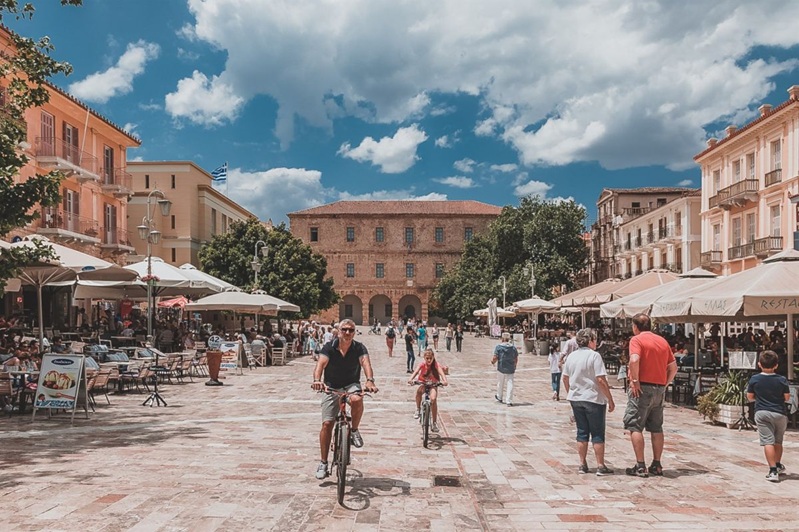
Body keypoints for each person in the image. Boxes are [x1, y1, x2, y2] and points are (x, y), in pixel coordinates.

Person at [310, 318, 378, 480]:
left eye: (351, 330)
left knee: (356, 399)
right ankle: (324, 462)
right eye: (344, 330)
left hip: (351, 384)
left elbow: (366, 363)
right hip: (331, 387)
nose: (347, 333)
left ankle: (354, 430)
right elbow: (320, 365)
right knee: (327, 424)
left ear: (354, 332)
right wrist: (317, 381)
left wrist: (370, 380)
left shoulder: (359, 347)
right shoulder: (329, 347)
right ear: (338, 331)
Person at [623, 313, 678, 478]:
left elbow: (634, 359)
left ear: (635, 327)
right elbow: (673, 367)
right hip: (659, 388)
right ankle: (657, 464)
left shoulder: (637, 340)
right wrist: (665, 383)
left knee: (635, 425)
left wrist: (635, 380)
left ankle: (640, 465)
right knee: (656, 427)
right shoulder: (662, 341)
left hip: (642, 388)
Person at [561, 328, 615, 475]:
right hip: (593, 398)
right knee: (597, 433)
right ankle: (600, 465)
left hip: (576, 398)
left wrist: (570, 392)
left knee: (582, 432)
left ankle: (582, 464)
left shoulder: (571, 357)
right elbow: (600, 379)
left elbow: (565, 378)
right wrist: (610, 399)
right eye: (595, 339)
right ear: (590, 340)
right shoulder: (594, 356)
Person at [746, 350, 791, 482]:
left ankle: (772, 471)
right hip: (779, 413)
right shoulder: (782, 379)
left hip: (762, 412)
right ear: (776, 365)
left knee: (767, 441)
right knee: (778, 441)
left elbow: (750, 397)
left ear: (759, 364)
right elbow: (787, 398)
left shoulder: (755, 379)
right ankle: (777, 464)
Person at [408, 347, 448, 432]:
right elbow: (415, 372)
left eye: (431, 358)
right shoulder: (422, 364)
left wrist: (445, 381)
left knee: (433, 399)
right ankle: (418, 409)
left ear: (433, 357)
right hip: (423, 382)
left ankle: (434, 423)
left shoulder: (436, 365)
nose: (429, 360)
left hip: (433, 384)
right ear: (424, 358)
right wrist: (411, 379)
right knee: (419, 392)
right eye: (427, 358)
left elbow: (441, 372)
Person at [491, 332, 518, 406]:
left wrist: (493, 362)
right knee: (510, 383)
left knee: (500, 382)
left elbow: (495, 357)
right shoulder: (513, 347)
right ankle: (509, 400)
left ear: (502, 338)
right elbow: (515, 358)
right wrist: (515, 365)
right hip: (510, 367)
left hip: (501, 367)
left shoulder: (499, 347)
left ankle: (499, 396)